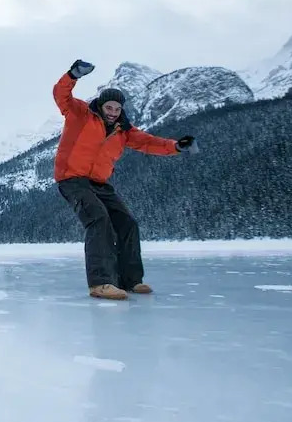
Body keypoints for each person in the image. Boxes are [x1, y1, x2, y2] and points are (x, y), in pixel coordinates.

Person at [53, 60, 197, 300]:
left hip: (99, 183)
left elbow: (149, 143)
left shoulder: (124, 131)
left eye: (116, 109)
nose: (112, 112)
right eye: (108, 107)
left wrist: (176, 147)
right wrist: (72, 75)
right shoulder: (80, 114)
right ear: (100, 105)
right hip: (72, 179)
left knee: (127, 223)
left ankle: (130, 280)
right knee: (98, 220)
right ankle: (100, 283)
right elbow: (61, 95)